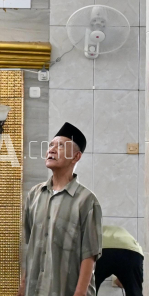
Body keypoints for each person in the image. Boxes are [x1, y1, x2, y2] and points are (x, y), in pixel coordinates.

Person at [19, 122, 102, 296]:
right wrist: (23, 286)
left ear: (76, 157)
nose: (52, 149)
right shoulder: (34, 195)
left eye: (61, 146)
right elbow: (30, 246)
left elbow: (90, 255)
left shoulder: (87, 201)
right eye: (51, 145)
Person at [95, 225, 143, 296]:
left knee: (88, 290)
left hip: (101, 249)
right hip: (132, 251)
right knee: (135, 292)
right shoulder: (126, 236)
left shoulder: (96, 232)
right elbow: (124, 269)